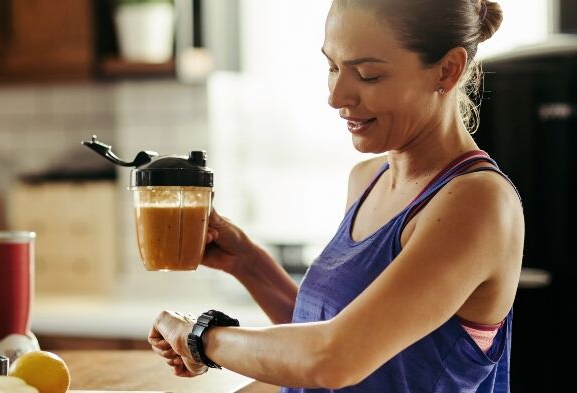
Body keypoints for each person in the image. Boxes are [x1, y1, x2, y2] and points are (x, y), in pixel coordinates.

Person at [148, 0, 523, 391]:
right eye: (332, 67)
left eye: (368, 74)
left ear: (448, 69)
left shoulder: (477, 202)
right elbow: (341, 334)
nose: (337, 95)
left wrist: (200, 338)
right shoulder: (367, 179)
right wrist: (248, 262)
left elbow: (334, 359)